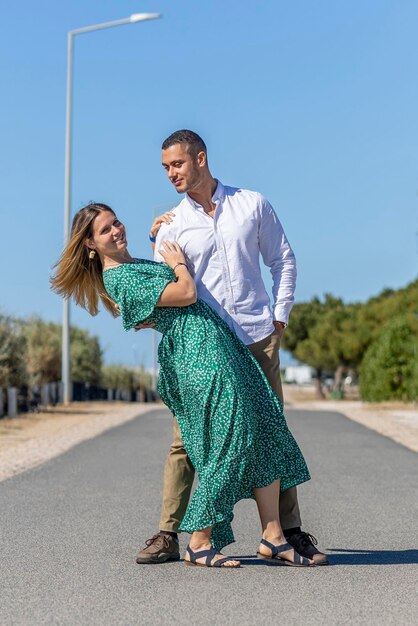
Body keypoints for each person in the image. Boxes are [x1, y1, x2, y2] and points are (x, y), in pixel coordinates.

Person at [51, 203, 313, 568]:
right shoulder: (118, 279)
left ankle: (274, 537)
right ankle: (199, 541)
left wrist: (156, 238)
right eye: (106, 230)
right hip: (196, 354)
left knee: (264, 427)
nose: (116, 231)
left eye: (117, 222)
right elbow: (186, 293)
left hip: (218, 343)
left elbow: (165, 288)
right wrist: (176, 264)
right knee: (229, 438)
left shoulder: (133, 266)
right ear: (91, 244)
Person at [136, 129, 328, 566]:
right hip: (206, 347)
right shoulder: (171, 225)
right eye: (165, 167)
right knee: (186, 439)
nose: (171, 174)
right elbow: (164, 288)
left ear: (201, 159)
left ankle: (287, 533)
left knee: (271, 432)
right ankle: (169, 533)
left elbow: (283, 258)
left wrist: (279, 316)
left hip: (257, 336)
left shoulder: (252, 204)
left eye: (178, 164)